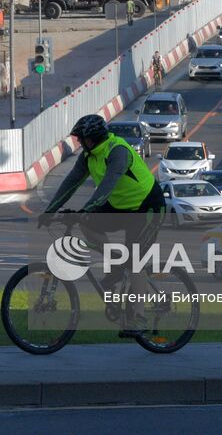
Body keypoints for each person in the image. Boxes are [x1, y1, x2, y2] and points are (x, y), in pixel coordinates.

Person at [39, 114, 165, 334]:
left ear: (93, 138)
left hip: (147, 206)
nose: (79, 142)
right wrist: (50, 210)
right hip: (121, 206)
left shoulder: (117, 151)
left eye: (81, 138)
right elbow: (71, 182)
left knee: (135, 261)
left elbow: (107, 185)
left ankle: (140, 318)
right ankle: (117, 262)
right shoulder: (89, 156)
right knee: (88, 224)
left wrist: (87, 209)